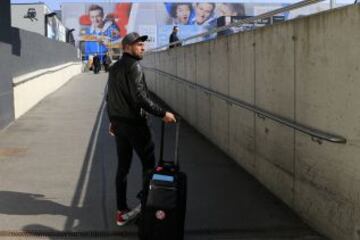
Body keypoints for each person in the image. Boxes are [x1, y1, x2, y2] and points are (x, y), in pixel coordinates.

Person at [106, 32, 177, 226]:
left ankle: (121, 211)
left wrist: (112, 120)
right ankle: (148, 207)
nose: (143, 47)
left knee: (123, 168)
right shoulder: (134, 67)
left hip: (120, 124)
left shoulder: (114, 68)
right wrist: (163, 113)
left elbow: (110, 98)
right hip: (135, 125)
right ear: (127, 47)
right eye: (139, 45)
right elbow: (140, 98)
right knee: (149, 166)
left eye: (143, 45)